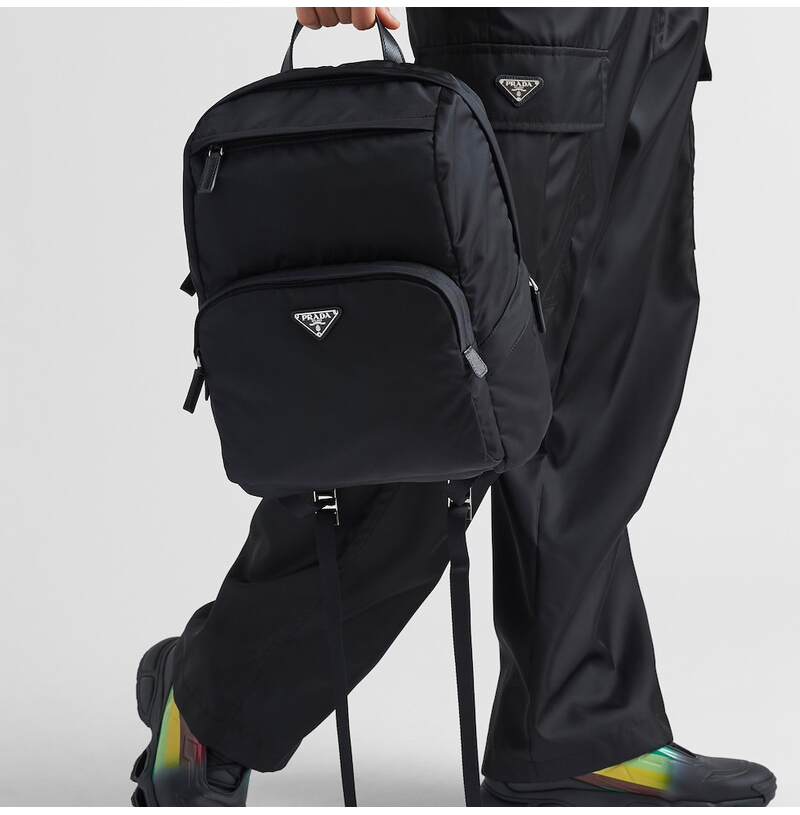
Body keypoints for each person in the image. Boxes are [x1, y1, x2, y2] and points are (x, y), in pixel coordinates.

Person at [131, 7, 777, 807]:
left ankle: (575, 727)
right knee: (443, 404)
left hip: (657, 24)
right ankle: (214, 701)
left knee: (602, 392)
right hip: (529, 26)